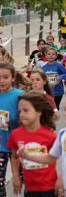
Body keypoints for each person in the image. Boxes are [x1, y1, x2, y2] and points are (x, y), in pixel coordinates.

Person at [7, 91, 61, 196]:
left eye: (26, 111)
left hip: (49, 187)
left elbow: (62, 159)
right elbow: (14, 157)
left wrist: (61, 180)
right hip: (30, 188)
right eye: (19, 112)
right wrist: (15, 176)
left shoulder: (51, 136)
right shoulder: (15, 134)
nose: (21, 114)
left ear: (38, 111)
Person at [0, 63, 24, 196]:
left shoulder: (19, 95)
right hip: (1, 145)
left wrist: (9, 123)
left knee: (25, 179)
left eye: (5, 77)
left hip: (19, 145)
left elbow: (27, 117)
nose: (1, 81)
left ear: (13, 78)